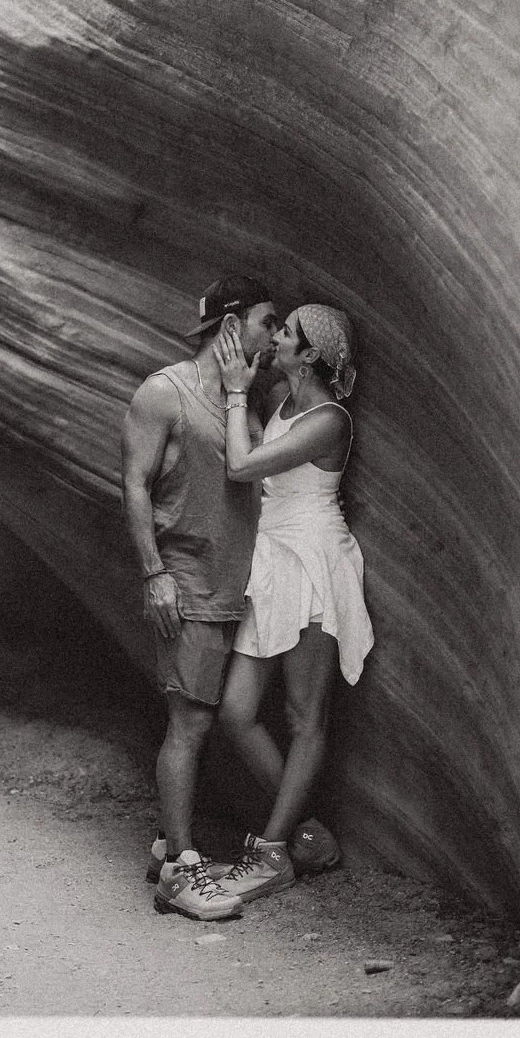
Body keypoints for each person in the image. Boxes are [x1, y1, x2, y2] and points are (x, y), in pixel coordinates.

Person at [120, 275, 278, 921]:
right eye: (268, 322)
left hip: (232, 585)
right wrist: (154, 573)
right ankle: (180, 873)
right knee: (189, 723)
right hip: (187, 578)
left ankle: (169, 848)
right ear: (233, 326)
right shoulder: (165, 392)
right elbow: (135, 483)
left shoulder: (247, 403)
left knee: (204, 720)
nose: (275, 336)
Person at [210, 303, 373, 904]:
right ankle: (304, 832)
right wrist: (249, 397)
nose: (276, 336)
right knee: (236, 711)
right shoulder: (284, 400)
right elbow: (261, 464)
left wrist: (234, 393)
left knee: (306, 717)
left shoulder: (331, 420)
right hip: (274, 559)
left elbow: (241, 466)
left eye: (287, 333)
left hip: (315, 559)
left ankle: (273, 850)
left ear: (309, 356)